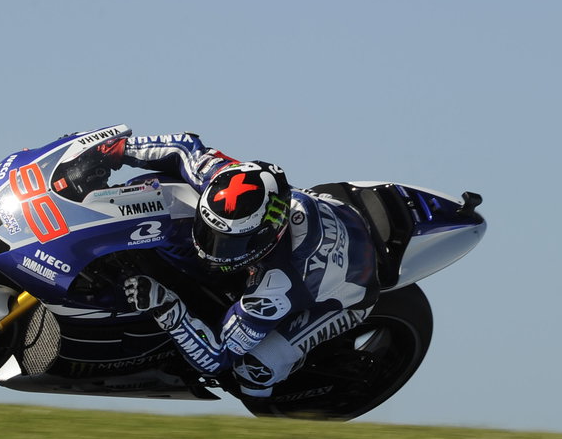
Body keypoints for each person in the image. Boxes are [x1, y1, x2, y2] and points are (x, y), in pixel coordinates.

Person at [108, 132, 380, 397]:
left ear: (267, 235)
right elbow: (183, 147)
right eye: (209, 233)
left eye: (230, 243)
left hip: (349, 293)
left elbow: (218, 357)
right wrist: (116, 149)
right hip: (334, 212)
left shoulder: (278, 285)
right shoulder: (226, 179)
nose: (212, 251)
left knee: (253, 370)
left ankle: (282, 397)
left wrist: (169, 309)